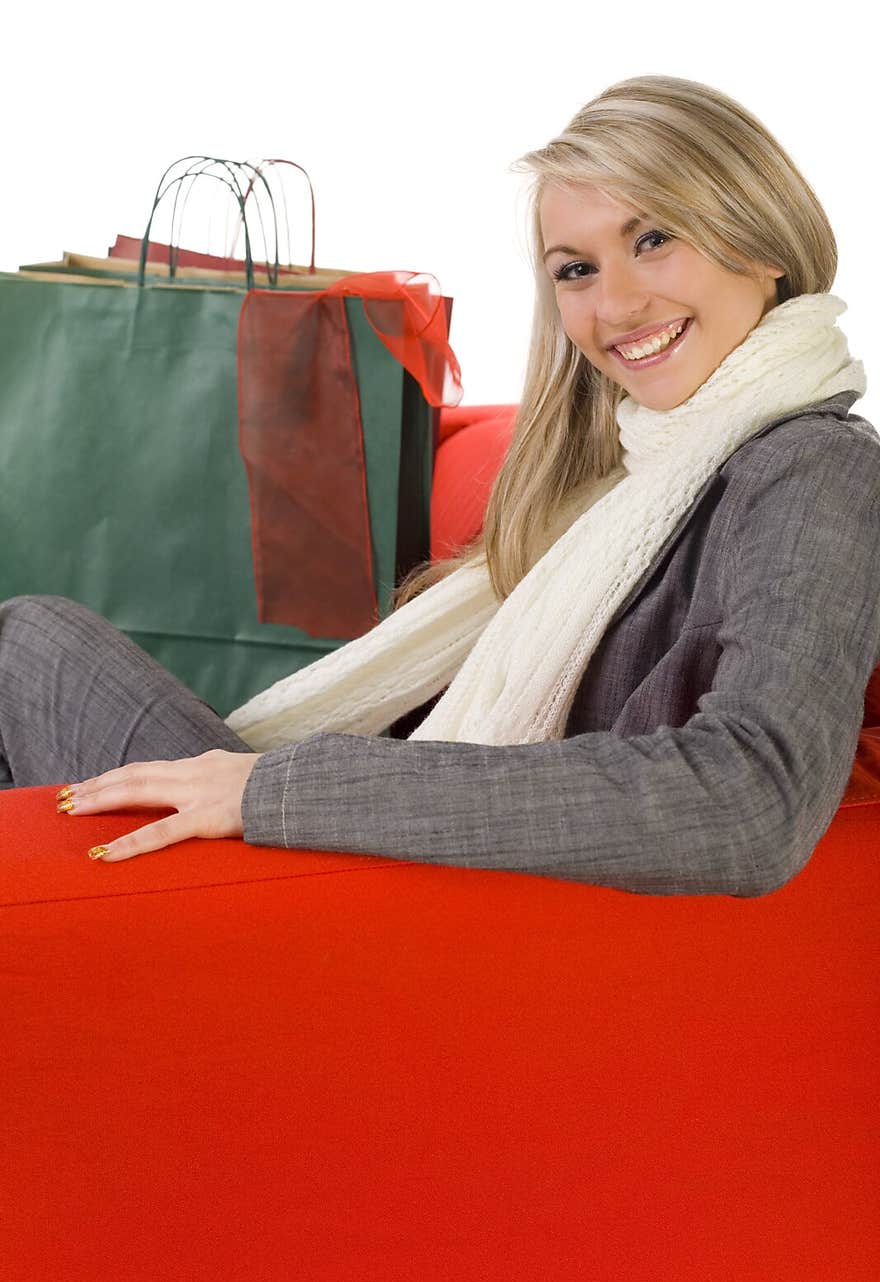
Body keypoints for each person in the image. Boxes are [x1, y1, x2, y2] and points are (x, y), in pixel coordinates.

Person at [1, 73, 877, 896]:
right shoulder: (635, 468)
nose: (613, 307)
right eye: (575, 269)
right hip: (401, 864)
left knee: (24, 643)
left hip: (413, 912)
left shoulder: (814, 467)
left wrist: (278, 790)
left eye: (653, 240)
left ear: (761, 240)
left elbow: (751, 798)